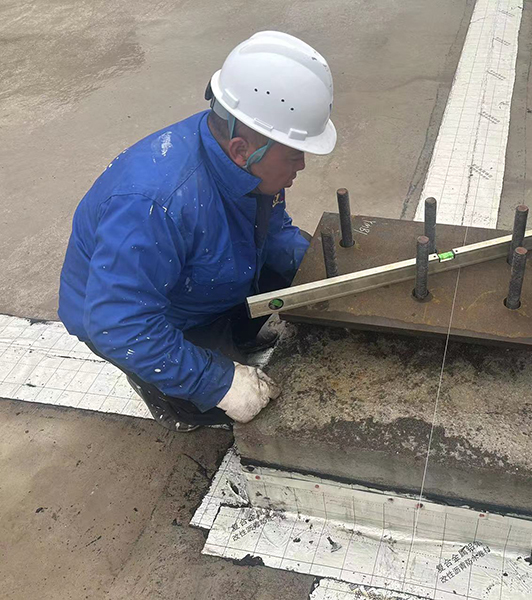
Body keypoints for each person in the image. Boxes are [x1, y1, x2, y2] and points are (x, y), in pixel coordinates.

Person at [58, 31, 337, 432]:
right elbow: (118, 324)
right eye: (294, 155)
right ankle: (172, 395)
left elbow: (273, 231)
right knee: (214, 405)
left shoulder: (243, 162)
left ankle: (230, 338)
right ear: (242, 150)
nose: (303, 166)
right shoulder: (154, 205)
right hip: (133, 314)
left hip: (199, 279)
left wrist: (321, 272)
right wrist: (219, 383)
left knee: (285, 273)